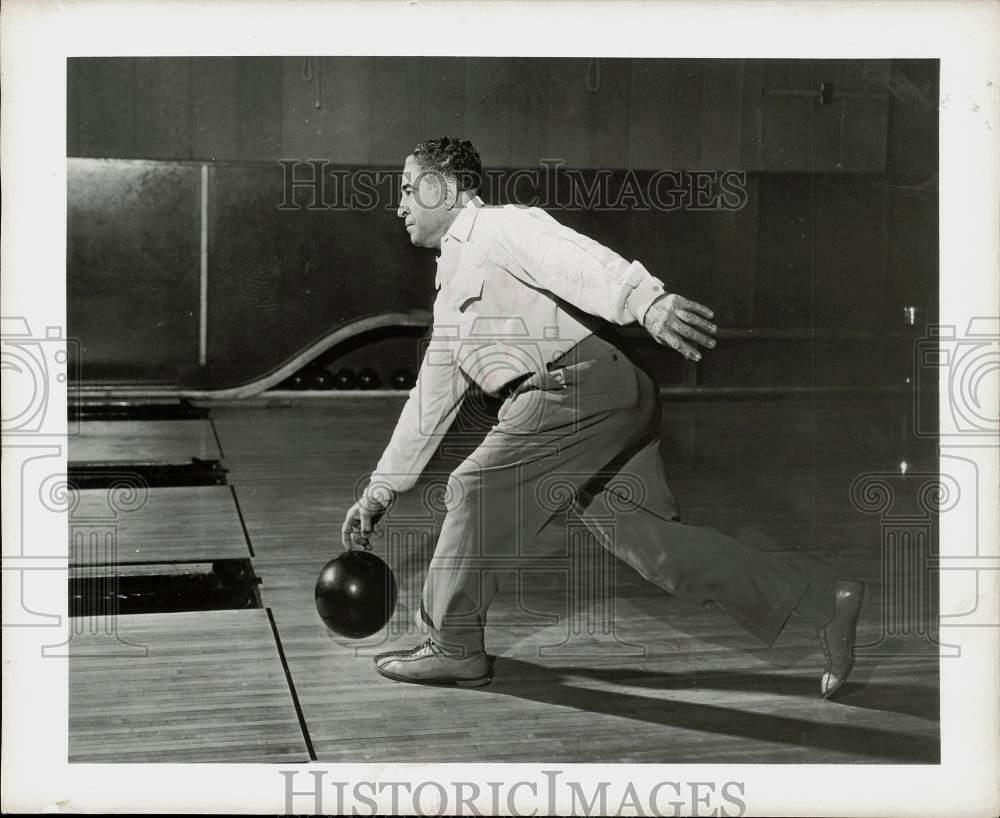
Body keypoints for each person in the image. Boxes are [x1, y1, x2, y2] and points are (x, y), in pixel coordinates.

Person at [341, 136, 864, 699]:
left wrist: (645, 300)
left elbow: (574, 259)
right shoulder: (450, 290)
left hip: (579, 386)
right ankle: (824, 604)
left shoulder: (497, 227)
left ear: (444, 186)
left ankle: (454, 646)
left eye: (407, 188)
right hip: (600, 395)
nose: (399, 206)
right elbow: (430, 400)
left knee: (473, 488)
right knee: (657, 549)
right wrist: (378, 492)